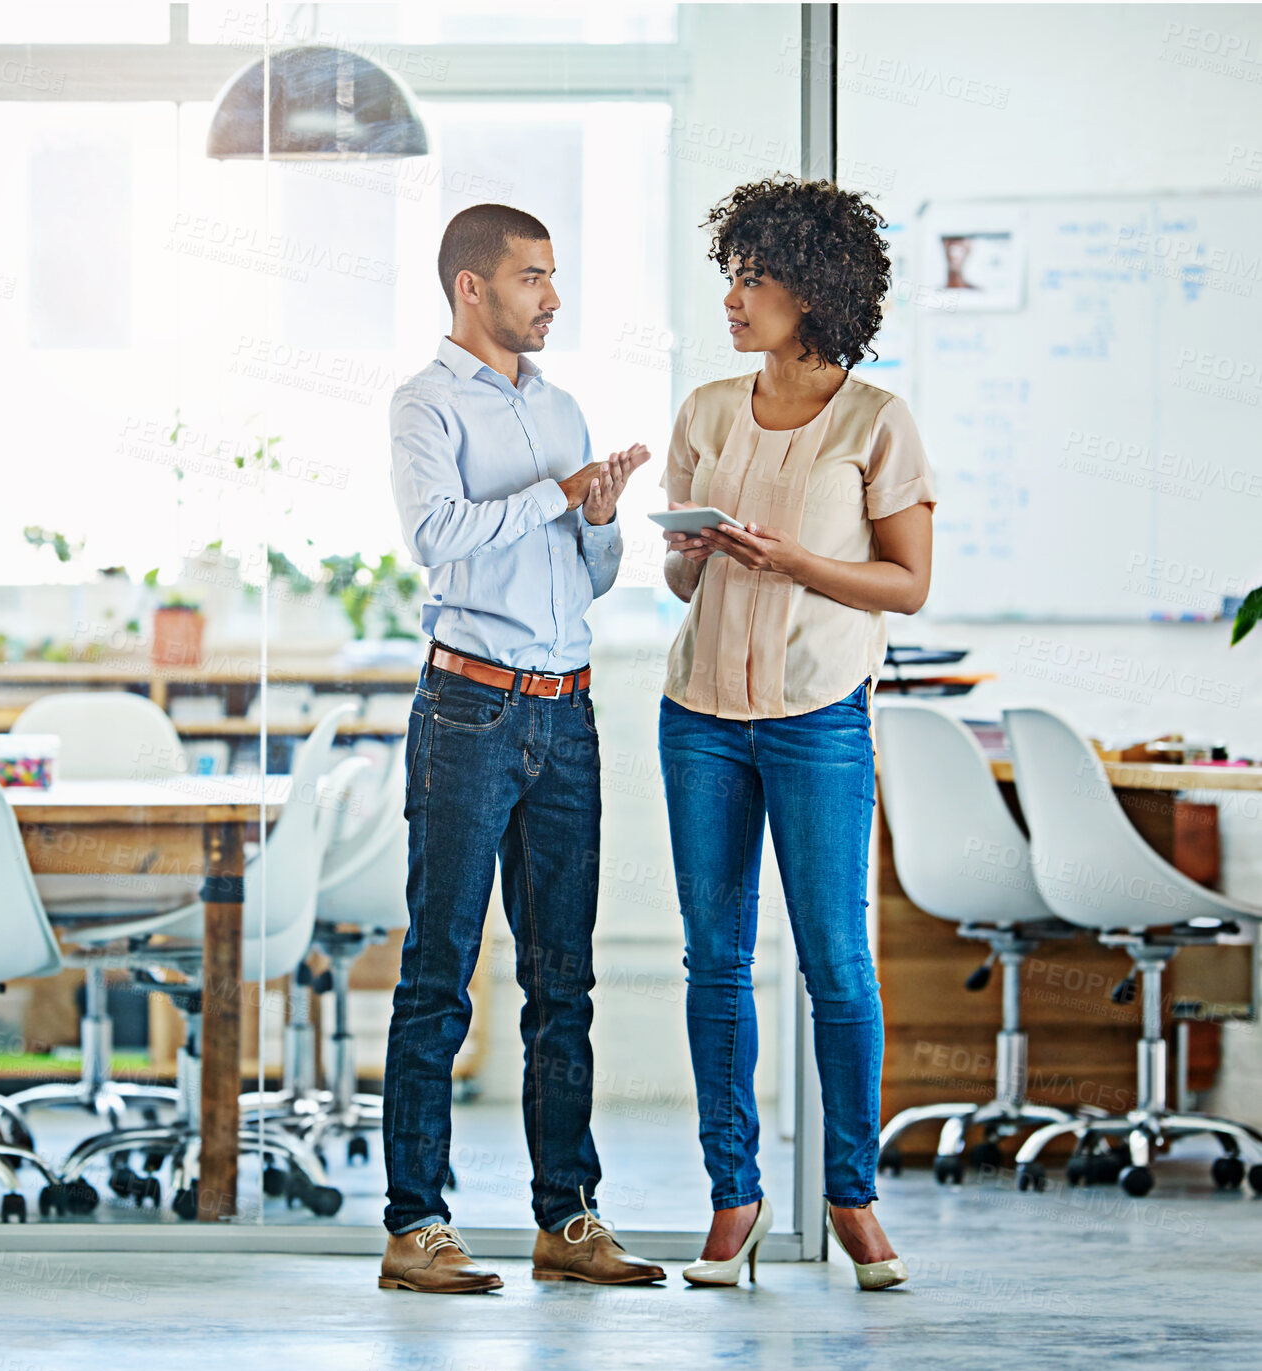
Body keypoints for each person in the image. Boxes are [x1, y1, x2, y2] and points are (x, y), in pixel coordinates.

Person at [379, 203, 662, 1294]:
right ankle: (417, 1227)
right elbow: (440, 537)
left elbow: (585, 576)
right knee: (438, 976)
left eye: (553, 276)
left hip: (565, 710)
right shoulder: (425, 404)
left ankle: (567, 1220)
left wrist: (596, 515)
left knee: (564, 982)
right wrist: (552, 494)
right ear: (471, 288)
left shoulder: (561, 407)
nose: (551, 296)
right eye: (532, 277)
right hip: (468, 712)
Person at [659, 176, 937, 1290]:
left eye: (756, 278)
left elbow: (905, 585)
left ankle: (853, 1200)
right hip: (700, 722)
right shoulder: (705, 411)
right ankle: (733, 1199)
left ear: (812, 291)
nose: (735, 296)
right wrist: (691, 551)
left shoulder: (875, 420)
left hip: (818, 717)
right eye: (731, 274)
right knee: (713, 962)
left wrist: (794, 562)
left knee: (834, 962)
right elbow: (680, 584)